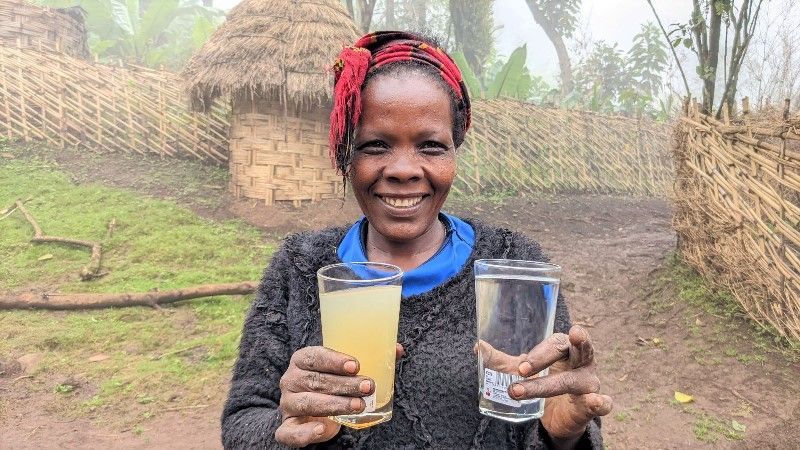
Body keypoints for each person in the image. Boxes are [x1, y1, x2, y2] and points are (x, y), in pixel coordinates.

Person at [221, 31, 612, 449]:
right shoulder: (300, 268)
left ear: (454, 153)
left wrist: (562, 434)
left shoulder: (512, 263)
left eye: (430, 146)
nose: (404, 169)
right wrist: (287, 423)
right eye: (375, 145)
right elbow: (243, 420)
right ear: (346, 155)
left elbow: (557, 408)